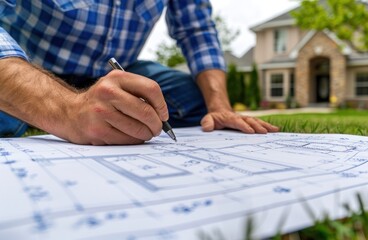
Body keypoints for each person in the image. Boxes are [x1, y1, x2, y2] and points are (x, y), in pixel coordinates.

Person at [0, 0, 278, 145]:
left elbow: (197, 30)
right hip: (26, 69)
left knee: (196, 98)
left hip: (114, 72)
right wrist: (66, 109)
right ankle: (30, 115)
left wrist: (219, 106)